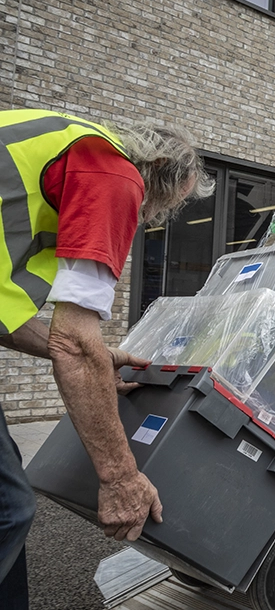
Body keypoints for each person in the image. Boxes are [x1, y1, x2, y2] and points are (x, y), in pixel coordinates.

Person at [0, 108, 213, 607]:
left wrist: (106, 355)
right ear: (161, 175)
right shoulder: (113, 175)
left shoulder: (64, 152)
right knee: (6, 510)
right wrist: (120, 478)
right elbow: (72, 343)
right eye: (167, 205)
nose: (153, 217)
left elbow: (19, 327)